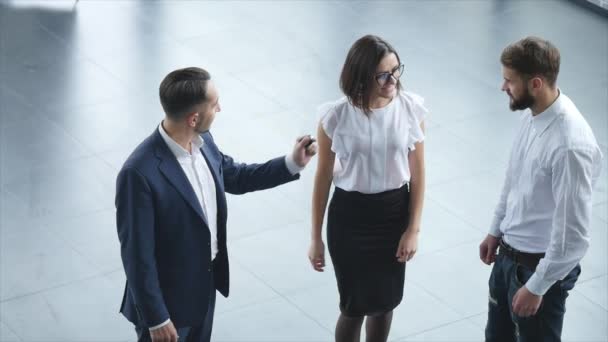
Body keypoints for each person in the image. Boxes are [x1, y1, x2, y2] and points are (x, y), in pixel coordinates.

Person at [115, 67, 316, 342]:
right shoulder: (139, 173)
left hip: (202, 289)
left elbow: (235, 176)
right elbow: (137, 256)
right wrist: (156, 317)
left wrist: (292, 163)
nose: (219, 108)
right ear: (193, 118)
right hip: (166, 305)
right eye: (214, 104)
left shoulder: (203, 141)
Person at [479, 36, 603, 341]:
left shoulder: (569, 146)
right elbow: (514, 178)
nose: (502, 87)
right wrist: (496, 230)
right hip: (508, 257)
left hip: (537, 271)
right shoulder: (532, 113)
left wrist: (536, 287)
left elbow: (572, 238)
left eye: (509, 80)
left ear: (535, 83)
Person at [308, 35, 427, 342]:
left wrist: (413, 229)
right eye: (384, 74)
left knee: (384, 303)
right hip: (350, 218)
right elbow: (322, 179)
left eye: (396, 70)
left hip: (393, 213)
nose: (393, 79)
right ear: (361, 76)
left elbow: (418, 174)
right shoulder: (335, 117)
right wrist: (315, 238)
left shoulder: (411, 110)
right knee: (353, 305)